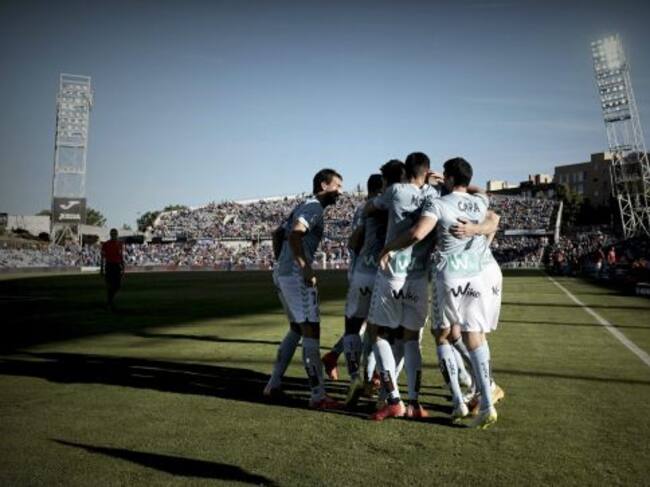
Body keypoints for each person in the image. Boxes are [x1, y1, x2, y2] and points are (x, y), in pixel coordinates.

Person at [380, 157, 503, 429]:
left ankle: (459, 402)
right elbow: (490, 213)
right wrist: (475, 228)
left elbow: (417, 233)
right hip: (477, 277)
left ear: (446, 177)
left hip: (449, 277)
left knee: (442, 336)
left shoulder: (439, 203)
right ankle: (487, 403)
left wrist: (390, 248)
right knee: (475, 336)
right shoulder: (479, 202)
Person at [363, 153, 442, 420]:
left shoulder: (395, 190)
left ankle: (393, 400)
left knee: (376, 332)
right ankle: (415, 404)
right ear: (428, 171)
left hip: (392, 274)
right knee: (411, 340)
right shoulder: (435, 195)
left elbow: (371, 208)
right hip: (419, 278)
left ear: (405, 171)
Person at [264, 168, 344, 410]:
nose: (340, 192)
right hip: (296, 276)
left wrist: (282, 263)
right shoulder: (314, 208)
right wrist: (304, 267)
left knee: (296, 328)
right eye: (337, 186)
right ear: (323, 185)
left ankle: (274, 383)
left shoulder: (302, 204)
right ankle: (318, 395)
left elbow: (278, 234)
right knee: (311, 331)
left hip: (283, 273)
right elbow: (295, 235)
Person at [100, 228, 125, 311]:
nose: (114, 235)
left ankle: (109, 302)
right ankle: (109, 303)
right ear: (111, 234)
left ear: (117, 234)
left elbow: (121, 256)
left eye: (115, 234)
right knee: (110, 285)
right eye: (112, 234)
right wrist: (101, 268)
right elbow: (102, 257)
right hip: (109, 266)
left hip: (117, 266)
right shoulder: (106, 244)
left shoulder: (120, 244)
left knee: (118, 285)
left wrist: (123, 266)